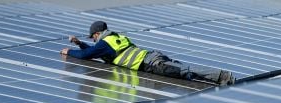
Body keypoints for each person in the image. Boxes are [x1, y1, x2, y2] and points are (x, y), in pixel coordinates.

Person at [60, 21, 235, 86]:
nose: (93, 40)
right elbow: (93, 51)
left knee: (187, 71)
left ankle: (223, 76)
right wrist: (79, 43)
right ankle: (221, 80)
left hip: (153, 64)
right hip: (152, 58)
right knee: (186, 72)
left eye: (93, 37)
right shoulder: (114, 38)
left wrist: (70, 51)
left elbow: (86, 55)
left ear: (98, 34)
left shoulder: (104, 43)